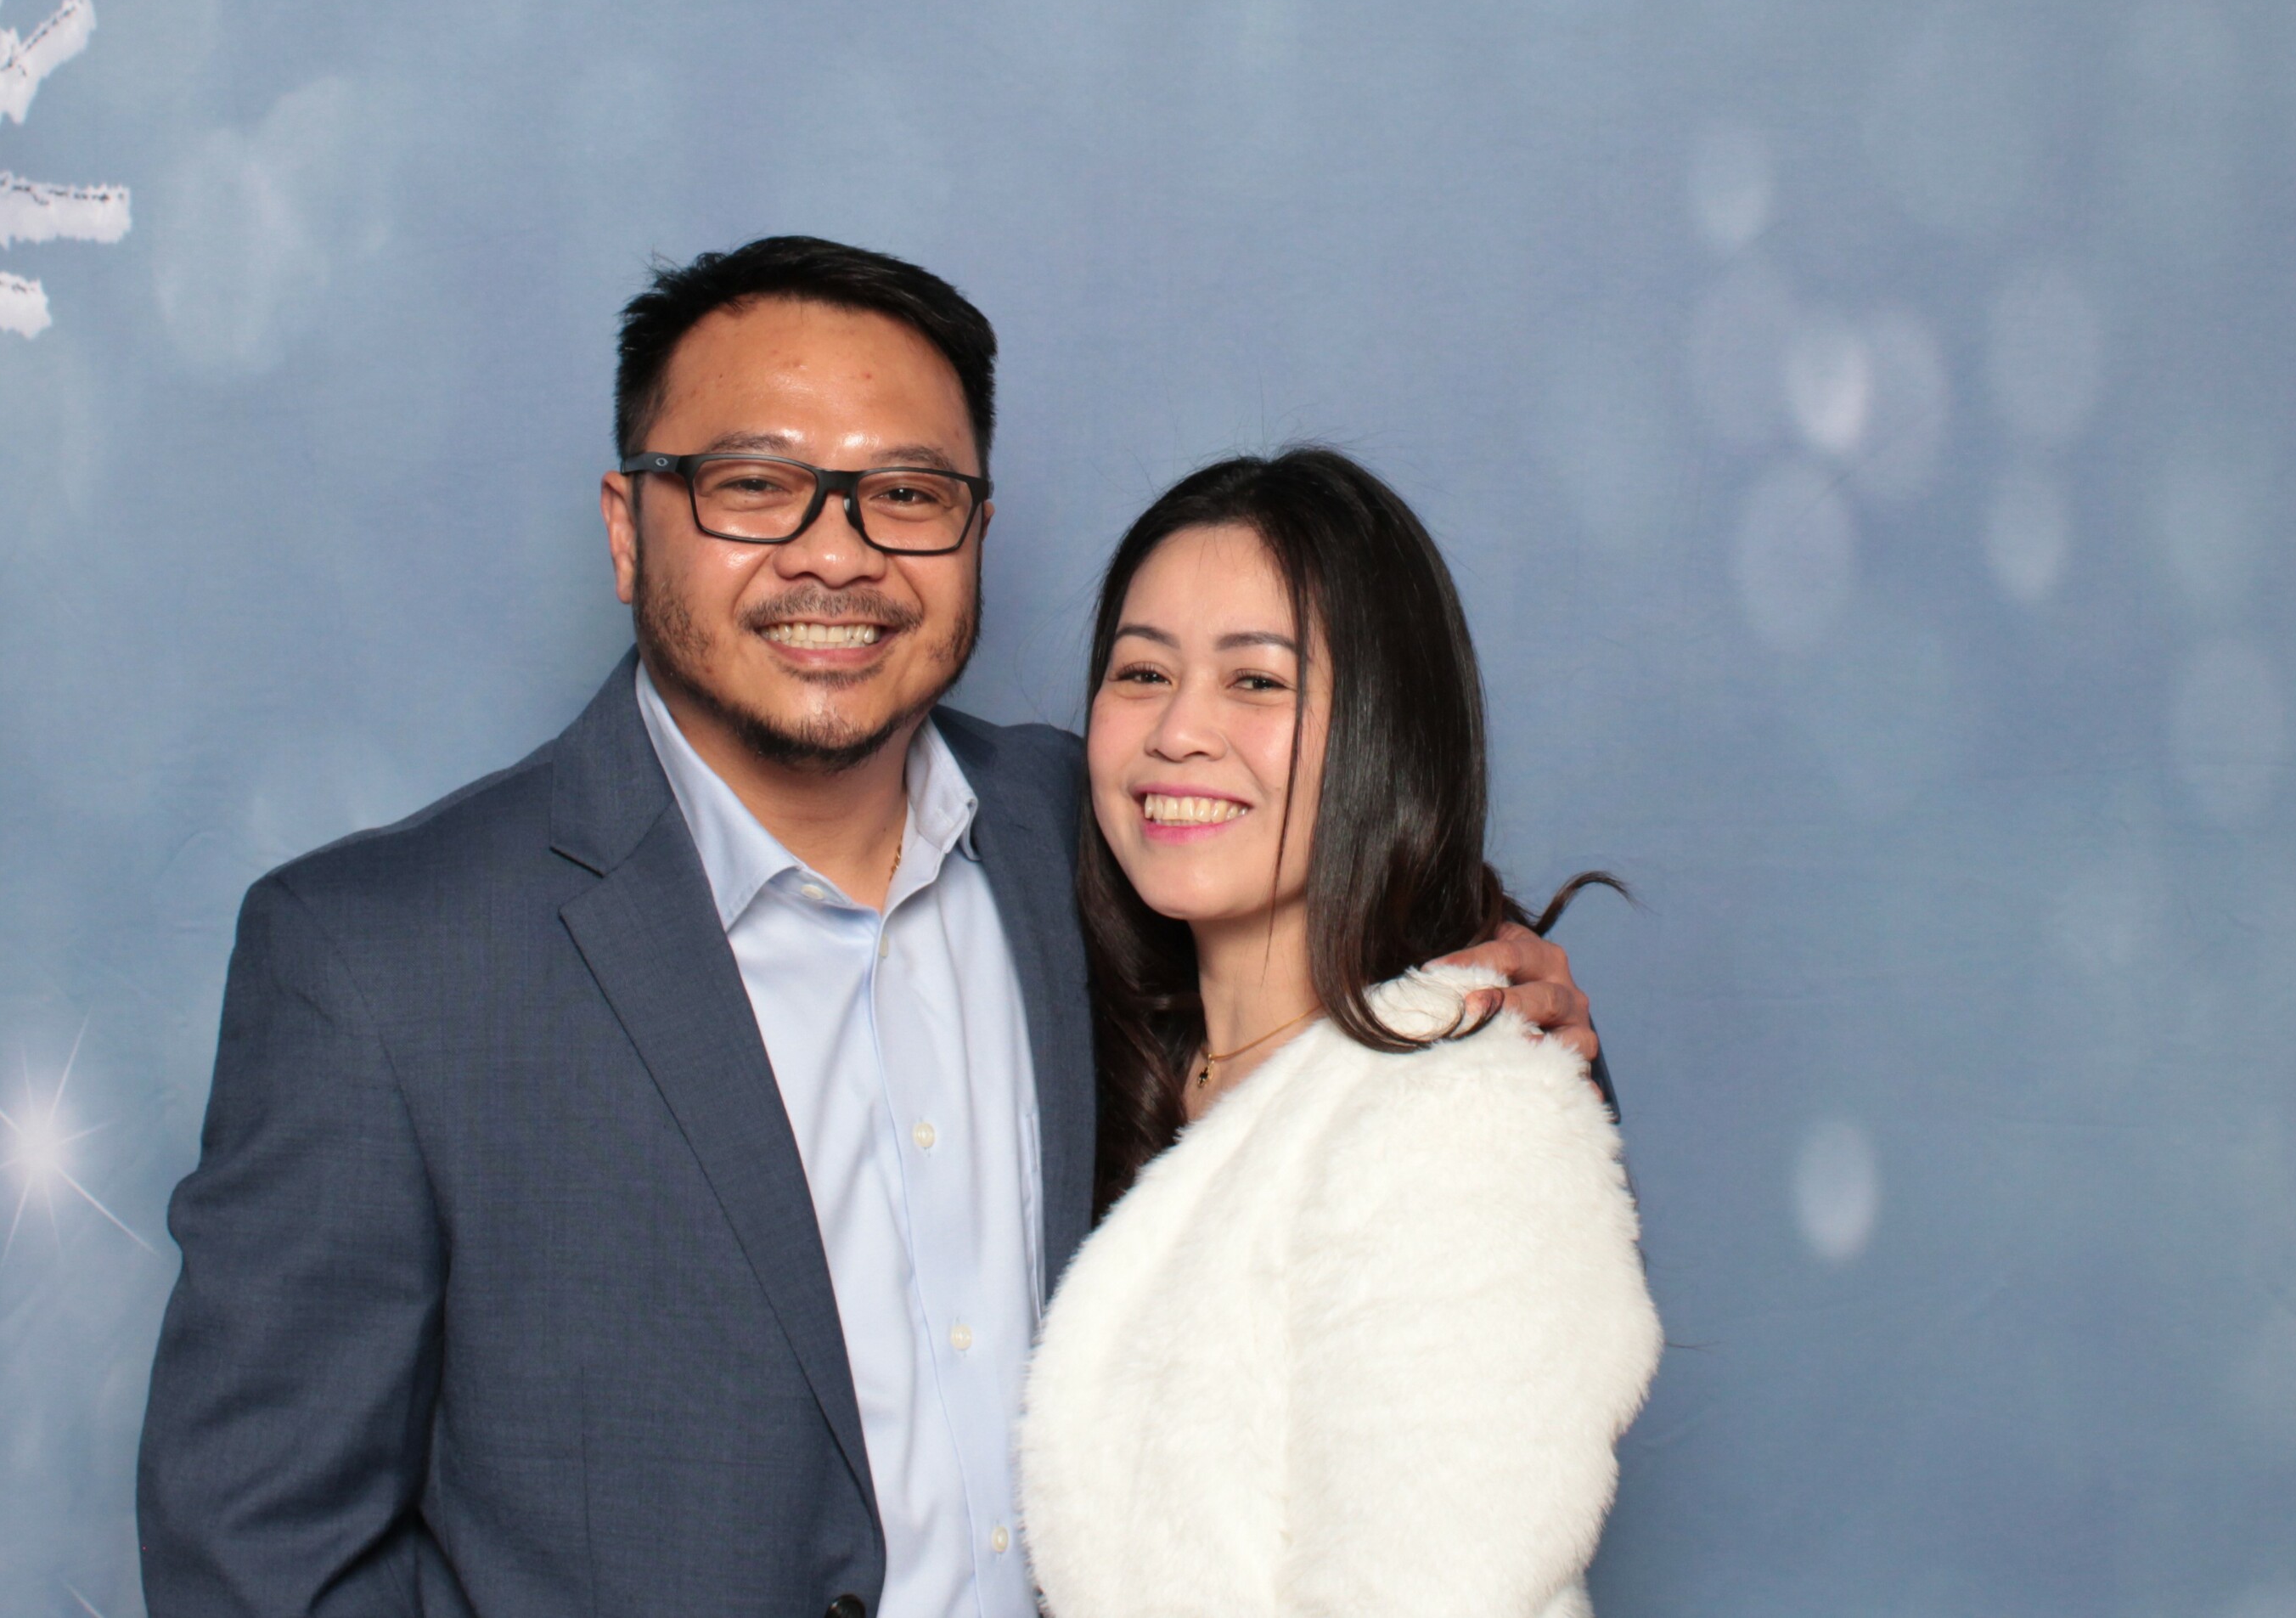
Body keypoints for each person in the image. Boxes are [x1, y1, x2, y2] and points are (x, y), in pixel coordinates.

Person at [133, 237, 1601, 1618]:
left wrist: (1514, 1019)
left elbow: (1368, 983)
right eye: (754, 485)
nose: (836, 555)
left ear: (977, 534)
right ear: (628, 530)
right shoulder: (383, 964)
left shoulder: (1101, 833)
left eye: (906, 493)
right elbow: (261, 1555)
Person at [1017, 449, 1661, 1618]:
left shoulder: (1466, 1114)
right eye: (1142, 672)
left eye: (1257, 682)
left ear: (1386, 734)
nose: (1179, 732)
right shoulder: (1100, 1061)